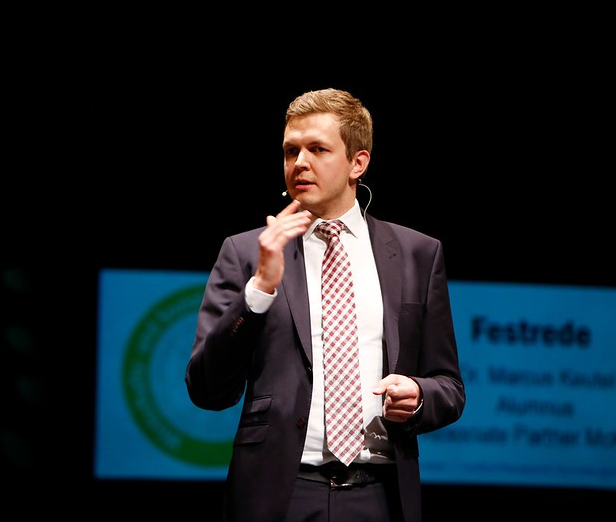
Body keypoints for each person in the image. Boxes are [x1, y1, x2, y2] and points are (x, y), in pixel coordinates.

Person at [186, 88, 465, 522]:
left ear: (358, 162)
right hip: (279, 493)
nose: (299, 163)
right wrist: (259, 289)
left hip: (380, 494)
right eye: (290, 151)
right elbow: (206, 389)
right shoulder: (247, 253)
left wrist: (419, 395)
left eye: (317, 149)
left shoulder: (417, 254)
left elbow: (448, 386)